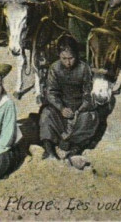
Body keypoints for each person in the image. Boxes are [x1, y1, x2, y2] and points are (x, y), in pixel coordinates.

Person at [39, 36, 98, 169]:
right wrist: (61, 108)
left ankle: (75, 149)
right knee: (46, 113)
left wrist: (80, 110)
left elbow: (88, 94)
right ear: (59, 56)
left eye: (71, 58)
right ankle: (49, 150)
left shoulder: (84, 69)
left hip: (80, 110)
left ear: (76, 55)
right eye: (64, 58)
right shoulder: (54, 68)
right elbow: (51, 93)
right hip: (62, 110)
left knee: (90, 118)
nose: (68, 62)